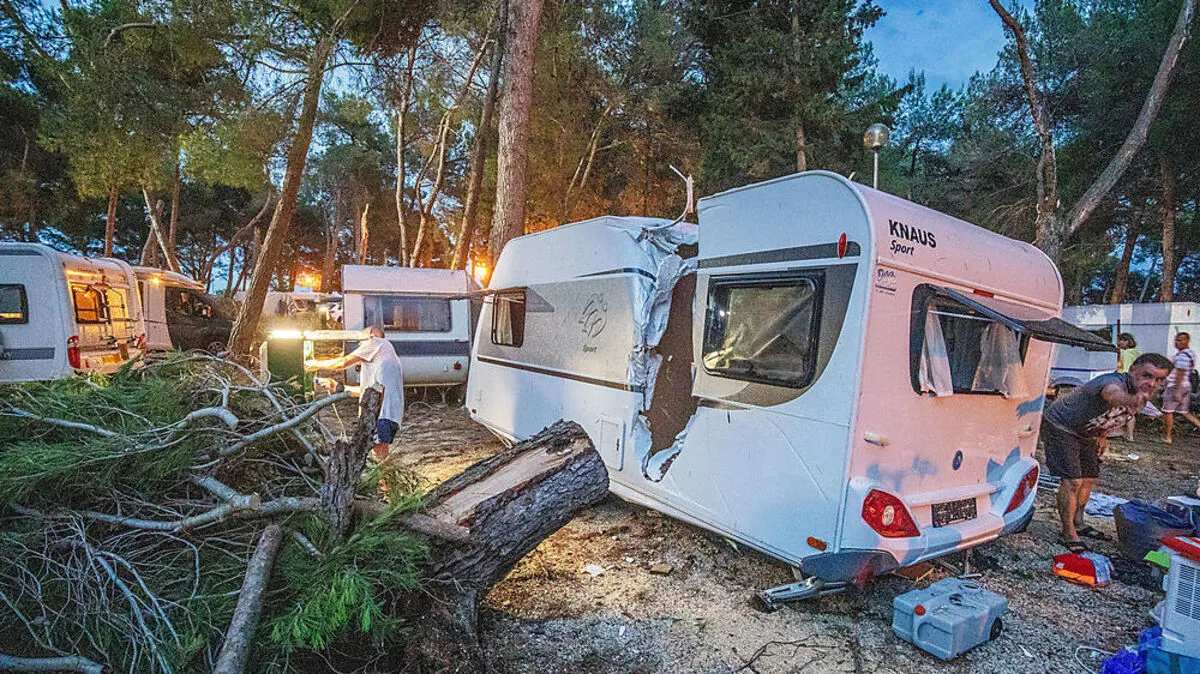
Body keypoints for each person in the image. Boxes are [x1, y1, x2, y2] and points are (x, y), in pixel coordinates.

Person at [1042, 353, 1172, 553]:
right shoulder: (1114, 382)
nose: (1152, 383)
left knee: (1089, 478)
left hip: (1087, 432)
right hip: (1061, 426)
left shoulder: (1141, 393)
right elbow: (1111, 395)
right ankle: (1068, 533)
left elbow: (1112, 415)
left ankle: (1079, 522)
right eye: (1147, 375)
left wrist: (1102, 435)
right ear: (1132, 369)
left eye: (1159, 379)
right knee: (1073, 481)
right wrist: (1132, 399)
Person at [306, 326, 405, 461]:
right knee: (377, 451)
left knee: (378, 451)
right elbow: (367, 392)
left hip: (383, 412)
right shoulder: (381, 358)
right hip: (388, 412)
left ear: (370, 336)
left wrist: (315, 364)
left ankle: (383, 474)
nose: (359, 345)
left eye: (360, 341)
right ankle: (383, 474)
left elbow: (343, 362)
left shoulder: (376, 342)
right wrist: (339, 387)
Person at [1163, 332, 1200, 445]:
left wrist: (1177, 390)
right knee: (1184, 412)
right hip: (1186, 386)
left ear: (1187, 341)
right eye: (1176, 340)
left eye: (1180, 340)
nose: (1177, 342)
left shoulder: (1182, 356)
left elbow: (1180, 373)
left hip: (1175, 386)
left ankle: (1168, 437)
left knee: (1167, 412)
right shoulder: (1190, 354)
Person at [1116, 333, 1141, 440]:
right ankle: (1129, 434)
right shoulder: (1137, 353)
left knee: (1120, 408)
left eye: (1120, 341)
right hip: (1137, 383)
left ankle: (1119, 431)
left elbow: (1126, 371)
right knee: (1131, 410)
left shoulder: (1126, 353)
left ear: (1126, 341)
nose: (1118, 343)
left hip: (1127, 383)